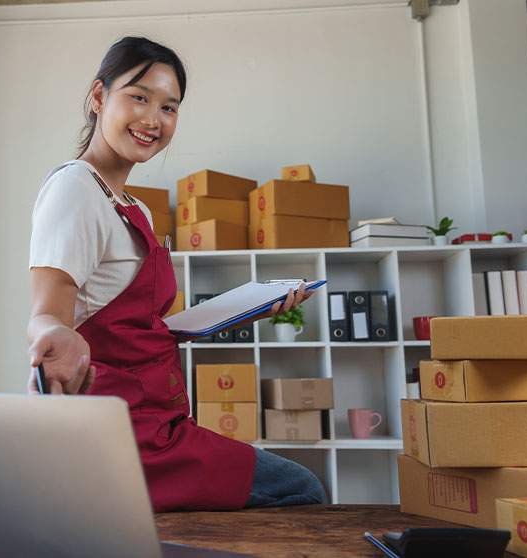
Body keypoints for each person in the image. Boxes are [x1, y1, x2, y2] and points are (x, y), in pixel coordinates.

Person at [27, 36, 327, 512]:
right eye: (139, 97)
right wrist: (54, 336)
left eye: (170, 107)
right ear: (99, 96)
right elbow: (47, 312)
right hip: (119, 426)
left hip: (156, 417)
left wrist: (241, 311)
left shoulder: (133, 206)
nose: (153, 120)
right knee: (302, 488)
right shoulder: (75, 188)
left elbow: (136, 325)